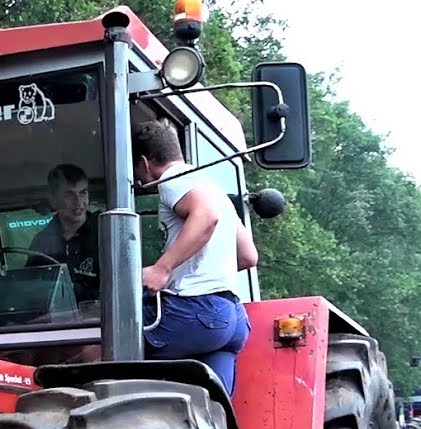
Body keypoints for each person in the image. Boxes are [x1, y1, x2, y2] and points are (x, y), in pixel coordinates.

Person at [130, 119, 258, 394]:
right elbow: (248, 256)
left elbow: (206, 217)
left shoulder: (172, 180)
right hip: (231, 319)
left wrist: (162, 269)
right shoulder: (214, 189)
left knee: (109, 338)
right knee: (215, 411)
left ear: (145, 162)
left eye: (137, 170)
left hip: (196, 314)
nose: (140, 178)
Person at [27, 164, 99, 304]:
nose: (78, 202)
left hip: (101, 319)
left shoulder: (105, 232)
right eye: (69, 195)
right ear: (53, 200)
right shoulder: (41, 243)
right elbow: (32, 291)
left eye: (83, 193)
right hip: (54, 322)